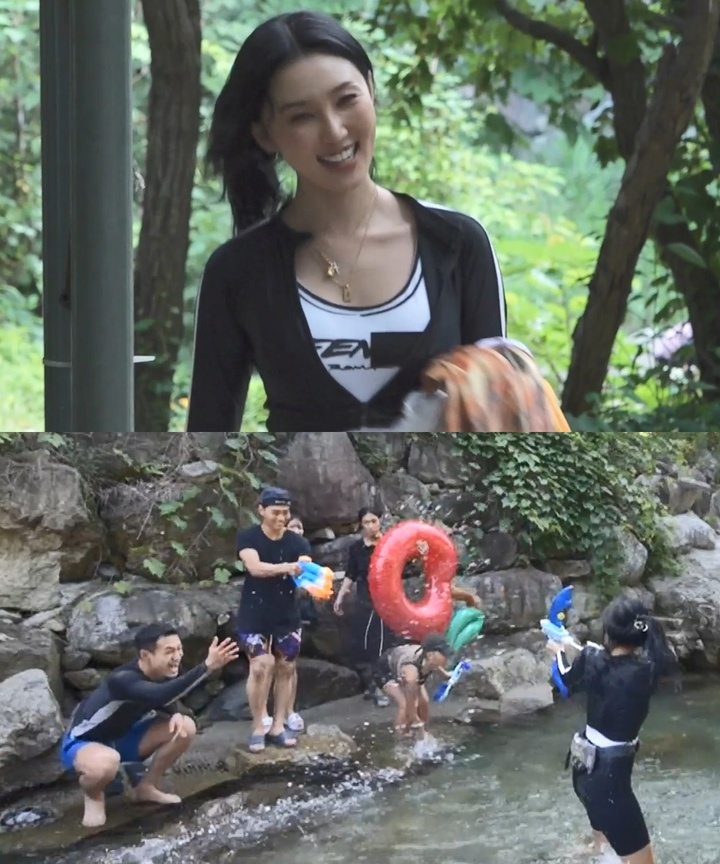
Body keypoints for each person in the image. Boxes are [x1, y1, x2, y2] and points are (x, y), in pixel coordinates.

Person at [187, 9, 506, 433]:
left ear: (371, 90)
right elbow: (207, 440)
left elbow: (502, 415)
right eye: (302, 116)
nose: (335, 132)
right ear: (265, 134)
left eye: (346, 99)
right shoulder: (238, 271)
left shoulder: (456, 244)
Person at [59, 624, 239, 828]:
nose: (177, 656)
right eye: (169, 651)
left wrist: (175, 713)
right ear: (145, 655)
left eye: (179, 649)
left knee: (185, 727)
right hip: (85, 743)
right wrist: (207, 666)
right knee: (106, 763)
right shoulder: (123, 680)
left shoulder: (166, 670)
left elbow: (166, 693)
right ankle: (94, 797)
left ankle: (146, 787)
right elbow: (158, 694)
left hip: (125, 738)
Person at [547, 596, 680, 864]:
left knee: (604, 849)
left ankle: (597, 850)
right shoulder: (648, 672)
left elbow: (563, 677)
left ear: (608, 631)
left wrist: (558, 651)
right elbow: (655, 658)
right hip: (610, 779)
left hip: (582, 768)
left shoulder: (591, 658)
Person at [236, 487, 311, 752]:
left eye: (285, 512)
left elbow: (305, 568)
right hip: (254, 612)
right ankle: (259, 724)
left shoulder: (298, 542)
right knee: (259, 665)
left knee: (286, 667)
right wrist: (288, 568)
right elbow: (255, 568)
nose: (281, 517)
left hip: (286, 613)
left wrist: (315, 579)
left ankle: (278, 725)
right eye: (276, 512)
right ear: (261, 510)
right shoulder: (249, 537)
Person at [334, 506, 397, 706]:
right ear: (361, 526)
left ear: (379, 521)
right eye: (366, 523)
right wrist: (340, 596)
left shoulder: (390, 544)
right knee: (372, 645)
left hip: (389, 600)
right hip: (366, 600)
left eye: (373, 521)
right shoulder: (357, 548)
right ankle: (377, 686)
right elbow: (351, 574)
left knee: (387, 643)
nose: (370, 526)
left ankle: (382, 684)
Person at [372, 634, 452, 737]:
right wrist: (415, 719)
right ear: (430, 655)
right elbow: (411, 704)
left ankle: (425, 734)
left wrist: (445, 675)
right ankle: (401, 740)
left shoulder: (430, 660)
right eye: (443, 654)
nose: (446, 657)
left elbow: (436, 666)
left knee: (424, 701)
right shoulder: (412, 673)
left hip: (405, 662)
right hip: (385, 670)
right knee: (405, 705)